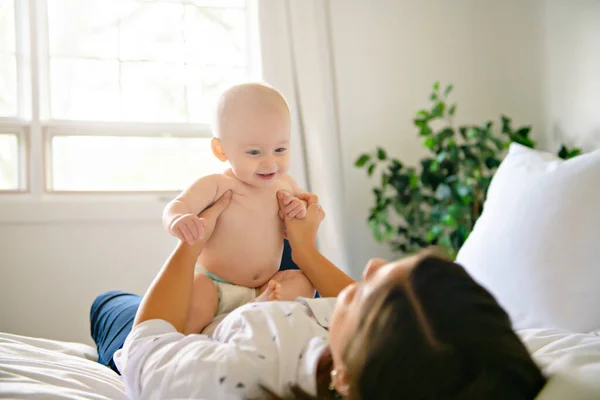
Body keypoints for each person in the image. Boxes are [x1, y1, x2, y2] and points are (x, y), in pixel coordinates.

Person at [92, 190, 546, 400]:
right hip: (269, 308)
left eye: (368, 291)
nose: (370, 266)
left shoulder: (242, 376)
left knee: (110, 302)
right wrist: (304, 249)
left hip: (195, 330)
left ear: (349, 374)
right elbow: (388, 317)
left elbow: (146, 346)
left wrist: (192, 242)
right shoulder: (411, 351)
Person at [162, 82, 314, 334]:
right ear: (221, 150)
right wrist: (178, 220)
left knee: (302, 281)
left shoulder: (285, 184)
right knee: (196, 292)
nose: (270, 162)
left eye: (280, 149)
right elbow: (177, 206)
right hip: (218, 287)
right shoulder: (217, 185)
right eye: (254, 152)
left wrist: (298, 209)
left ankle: (250, 313)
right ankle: (210, 329)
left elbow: (307, 209)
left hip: (267, 287)